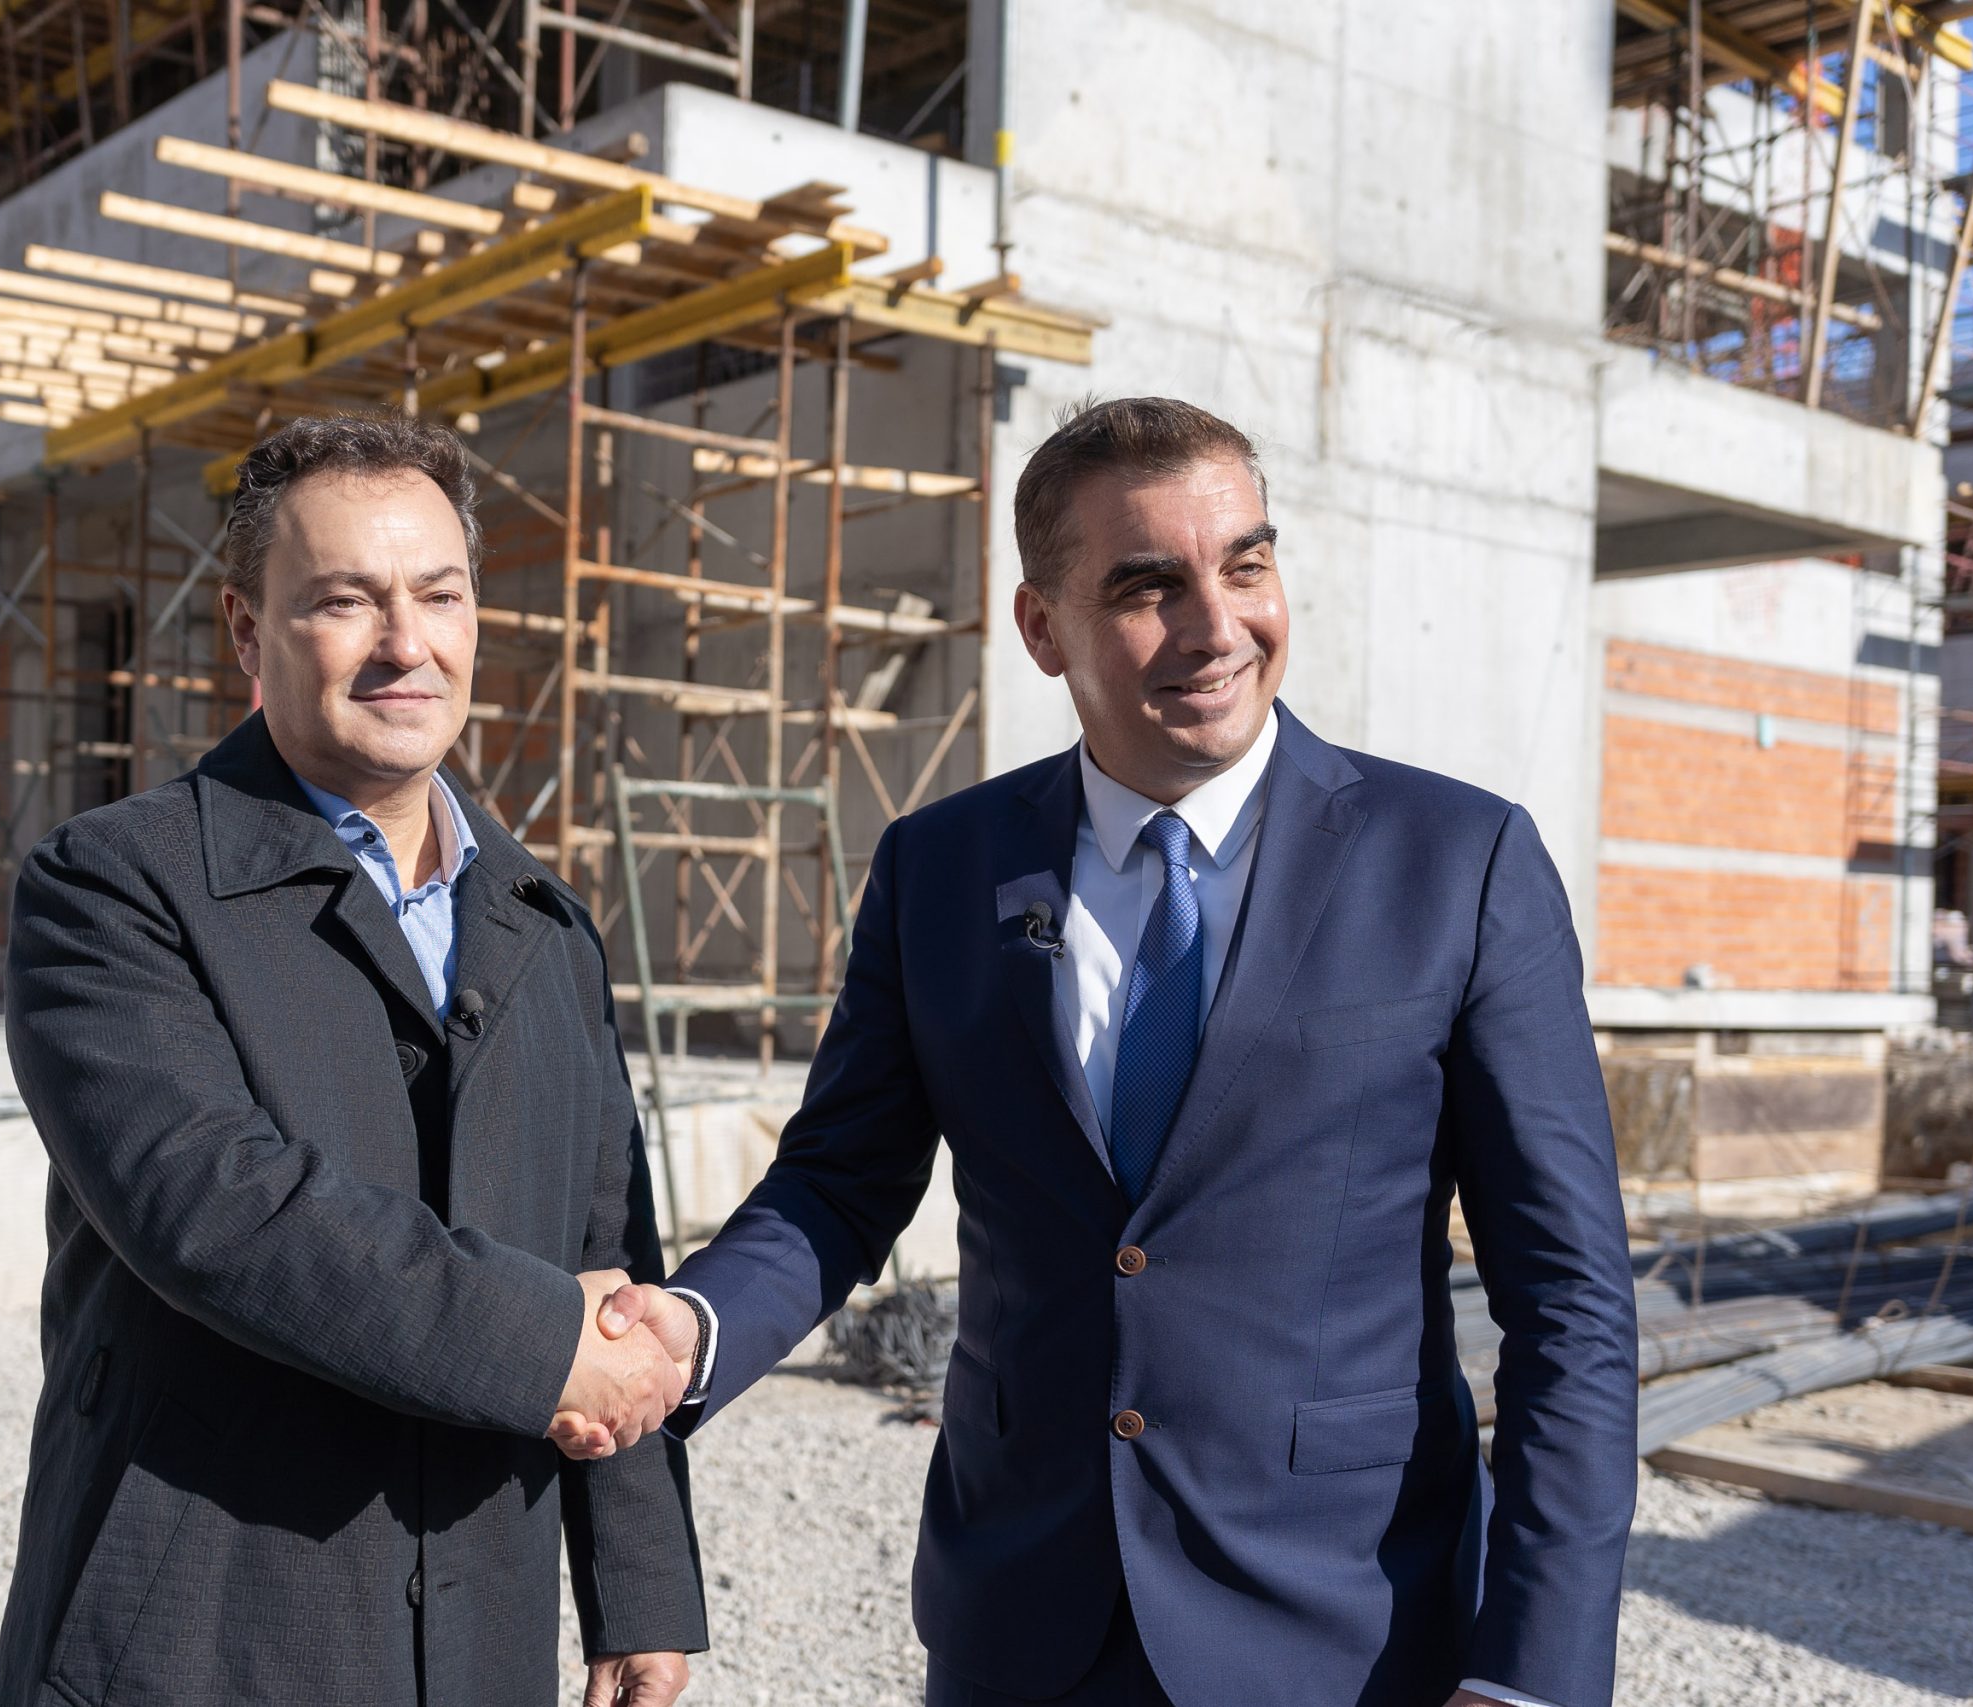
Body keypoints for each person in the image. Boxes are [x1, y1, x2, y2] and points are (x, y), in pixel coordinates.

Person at [564, 397, 1640, 1707]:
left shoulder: (1460, 863)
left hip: (1344, 1634)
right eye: (1147, 587)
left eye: (1245, 565)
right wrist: (689, 1329)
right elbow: (841, 1182)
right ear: (1041, 628)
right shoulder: (942, 867)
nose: (1217, 626)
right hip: (1024, 1619)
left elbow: (1571, 1300)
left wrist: (1534, 1674)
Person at [0, 413, 704, 1707]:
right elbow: (221, 1210)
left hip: (478, 1630)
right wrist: (547, 1341)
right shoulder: (114, 889)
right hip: (208, 1626)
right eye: (344, 601)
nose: (406, 644)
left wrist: (636, 1586)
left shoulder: (546, 928)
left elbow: (614, 1250)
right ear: (246, 632)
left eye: (441, 594)